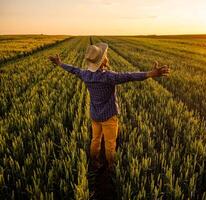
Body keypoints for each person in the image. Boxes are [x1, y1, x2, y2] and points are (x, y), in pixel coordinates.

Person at [48, 42, 170, 173]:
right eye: (105, 55)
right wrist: (151, 73)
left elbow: (73, 69)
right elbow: (129, 76)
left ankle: (94, 161)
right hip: (109, 116)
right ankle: (111, 165)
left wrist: (60, 63)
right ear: (102, 61)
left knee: (95, 139)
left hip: (95, 115)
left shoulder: (85, 74)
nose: (106, 56)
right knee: (110, 143)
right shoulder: (109, 76)